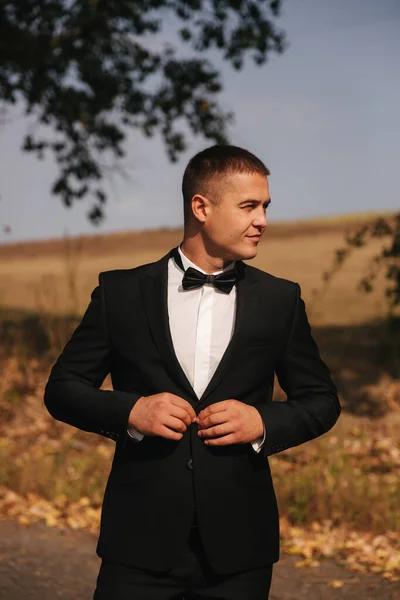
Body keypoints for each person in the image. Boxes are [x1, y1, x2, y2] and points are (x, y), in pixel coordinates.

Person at [44, 144, 341, 599]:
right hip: (138, 544)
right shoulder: (119, 292)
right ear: (201, 207)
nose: (262, 220)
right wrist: (132, 411)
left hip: (241, 551)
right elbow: (62, 389)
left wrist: (263, 421)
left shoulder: (282, 300)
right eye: (249, 206)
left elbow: (322, 401)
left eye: (265, 207)